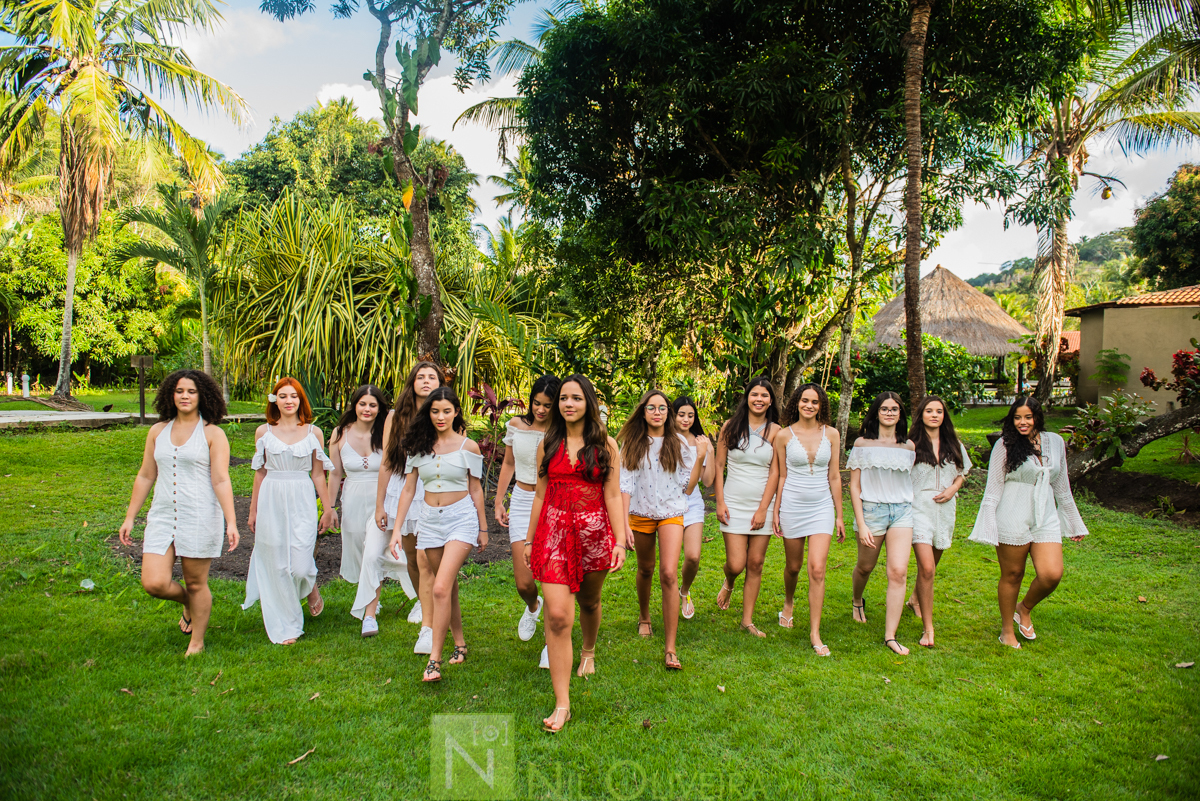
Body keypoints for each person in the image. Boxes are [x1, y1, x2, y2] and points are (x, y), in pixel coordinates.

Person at [524, 374, 626, 732]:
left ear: (588, 403)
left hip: (594, 534)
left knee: (589, 603)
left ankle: (588, 651)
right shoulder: (547, 444)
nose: (568, 404)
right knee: (556, 615)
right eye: (563, 399)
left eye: (576, 398)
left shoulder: (606, 445)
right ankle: (562, 702)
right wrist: (528, 539)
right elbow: (539, 494)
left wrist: (618, 540)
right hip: (553, 534)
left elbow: (613, 496)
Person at [118, 370, 239, 656]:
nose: (185, 396)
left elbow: (221, 479)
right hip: (162, 515)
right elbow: (146, 475)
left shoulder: (213, 434)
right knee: (154, 583)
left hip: (199, 515)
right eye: (180, 391)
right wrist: (130, 516)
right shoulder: (158, 431)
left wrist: (231, 521)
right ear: (171, 394)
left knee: (196, 582)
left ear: (203, 397)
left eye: (192, 391)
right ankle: (188, 603)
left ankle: (196, 642)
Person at [969, 396, 1088, 649]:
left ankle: (1024, 608)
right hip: (1012, 513)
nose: (1022, 422)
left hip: (1045, 515)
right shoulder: (1005, 444)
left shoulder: (1055, 442)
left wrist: (1074, 522)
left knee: (1051, 575)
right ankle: (1007, 630)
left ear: (1037, 417)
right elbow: (993, 488)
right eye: (1017, 417)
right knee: (1013, 573)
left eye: (1028, 417)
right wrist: (988, 523)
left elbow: (1062, 485)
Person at [387, 387, 487, 682]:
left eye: (446, 411)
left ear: (456, 412)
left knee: (440, 587)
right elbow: (408, 490)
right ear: (427, 413)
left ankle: (434, 659)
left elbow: (476, 488)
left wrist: (482, 528)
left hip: (461, 520)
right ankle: (460, 643)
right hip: (429, 521)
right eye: (434, 411)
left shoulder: (469, 448)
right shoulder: (418, 447)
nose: (440, 416)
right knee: (449, 585)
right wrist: (396, 531)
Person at [242, 378, 336, 645]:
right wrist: (253, 511)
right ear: (275, 401)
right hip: (272, 495)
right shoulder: (263, 432)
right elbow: (260, 473)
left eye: (293, 396)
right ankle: (288, 626)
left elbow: (319, 475)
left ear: (300, 400)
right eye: (282, 396)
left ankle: (310, 584)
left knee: (301, 565)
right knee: (276, 562)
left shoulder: (313, 433)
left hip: (301, 496)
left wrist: (327, 508)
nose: (288, 401)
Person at [618, 390, 700, 670]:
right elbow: (625, 484)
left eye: (662, 408)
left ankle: (670, 648)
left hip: (670, 513)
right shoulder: (632, 442)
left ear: (668, 412)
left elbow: (688, 485)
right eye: (651, 408)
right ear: (643, 412)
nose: (657, 412)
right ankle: (644, 617)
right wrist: (624, 521)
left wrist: (701, 457)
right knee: (646, 569)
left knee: (668, 573)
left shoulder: (679, 443)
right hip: (640, 513)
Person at [325, 385, 408, 637]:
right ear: (354, 405)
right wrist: (330, 507)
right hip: (352, 499)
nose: (367, 409)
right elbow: (335, 473)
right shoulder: (340, 433)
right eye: (363, 404)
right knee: (361, 553)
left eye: (373, 405)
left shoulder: (386, 432)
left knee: (375, 553)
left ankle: (369, 613)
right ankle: (375, 597)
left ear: (380, 408)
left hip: (381, 500)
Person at [376, 361, 445, 653]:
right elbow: (387, 461)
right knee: (411, 554)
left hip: (432, 486)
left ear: (440, 383)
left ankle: (434, 614)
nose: (426, 381)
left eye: (432, 377)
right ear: (412, 382)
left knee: (427, 557)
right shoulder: (395, 416)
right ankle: (423, 599)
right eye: (421, 377)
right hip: (402, 485)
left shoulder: (443, 411)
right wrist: (379, 504)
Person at [772, 383, 843, 656]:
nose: (809, 406)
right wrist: (777, 510)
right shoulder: (783, 435)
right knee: (793, 566)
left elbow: (834, 476)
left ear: (821, 405)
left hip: (821, 506)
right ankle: (788, 602)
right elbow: (781, 475)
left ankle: (815, 632)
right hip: (792, 504)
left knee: (817, 568)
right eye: (805, 401)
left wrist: (838, 514)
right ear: (796, 403)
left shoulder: (832, 434)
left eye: (815, 402)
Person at [494, 374, 560, 667]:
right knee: (524, 582)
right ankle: (533, 607)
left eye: (547, 405)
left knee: (550, 579)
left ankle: (550, 644)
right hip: (522, 501)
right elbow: (508, 463)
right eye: (536, 403)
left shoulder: (562, 432)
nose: (541, 410)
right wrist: (499, 501)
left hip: (553, 503)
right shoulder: (516, 426)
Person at [847, 391, 915, 655]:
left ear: (901, 414)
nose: (889, 413)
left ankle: (890, 636)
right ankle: (856, 600)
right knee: (865, 567)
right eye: (884, 408)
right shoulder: (862, 444)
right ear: (876, 412)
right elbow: (853, 487)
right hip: (872, 510)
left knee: (898, 572)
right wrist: (861, 523)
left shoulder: (909, 447)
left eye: (895, 409)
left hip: (902, 512)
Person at [713, 377, 781, 637]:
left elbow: (775, 472)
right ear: (747, 397)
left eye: (764, 395)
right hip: (733, 502)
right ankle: (729, 581)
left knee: (755, 563)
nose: (759, 399)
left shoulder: (776, 431)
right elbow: (719, 466)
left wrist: (764, 509)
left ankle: (747, 620)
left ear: (770, 400)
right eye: (755, 394)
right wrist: (719, 501)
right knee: (736, 563)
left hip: (761, 502)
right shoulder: (730, 426)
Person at [905, 395, 971, 648]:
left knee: (934, 560)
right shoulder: (910, 444)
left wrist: (954, 488)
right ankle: (928, 630)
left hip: (945, 510)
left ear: (944, 416)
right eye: (929, 411)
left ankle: (914, 599)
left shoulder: (954, 444)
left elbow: (962, 473)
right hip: (917, 509)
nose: (934, 415)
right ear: (921, 414)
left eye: (939, 411)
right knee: (928, 568)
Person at [673, 396, 715, 619]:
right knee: (668, 564)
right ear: (674, 415)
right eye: (681, 414)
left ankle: (685, 590)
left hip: (693, 502)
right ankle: (669, 599)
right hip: (668, 502)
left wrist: (708, 452)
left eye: (691, 415)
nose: (686, 419)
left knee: (693, 557)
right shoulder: (666, 439)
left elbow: (707, 481)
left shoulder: (701, 441)